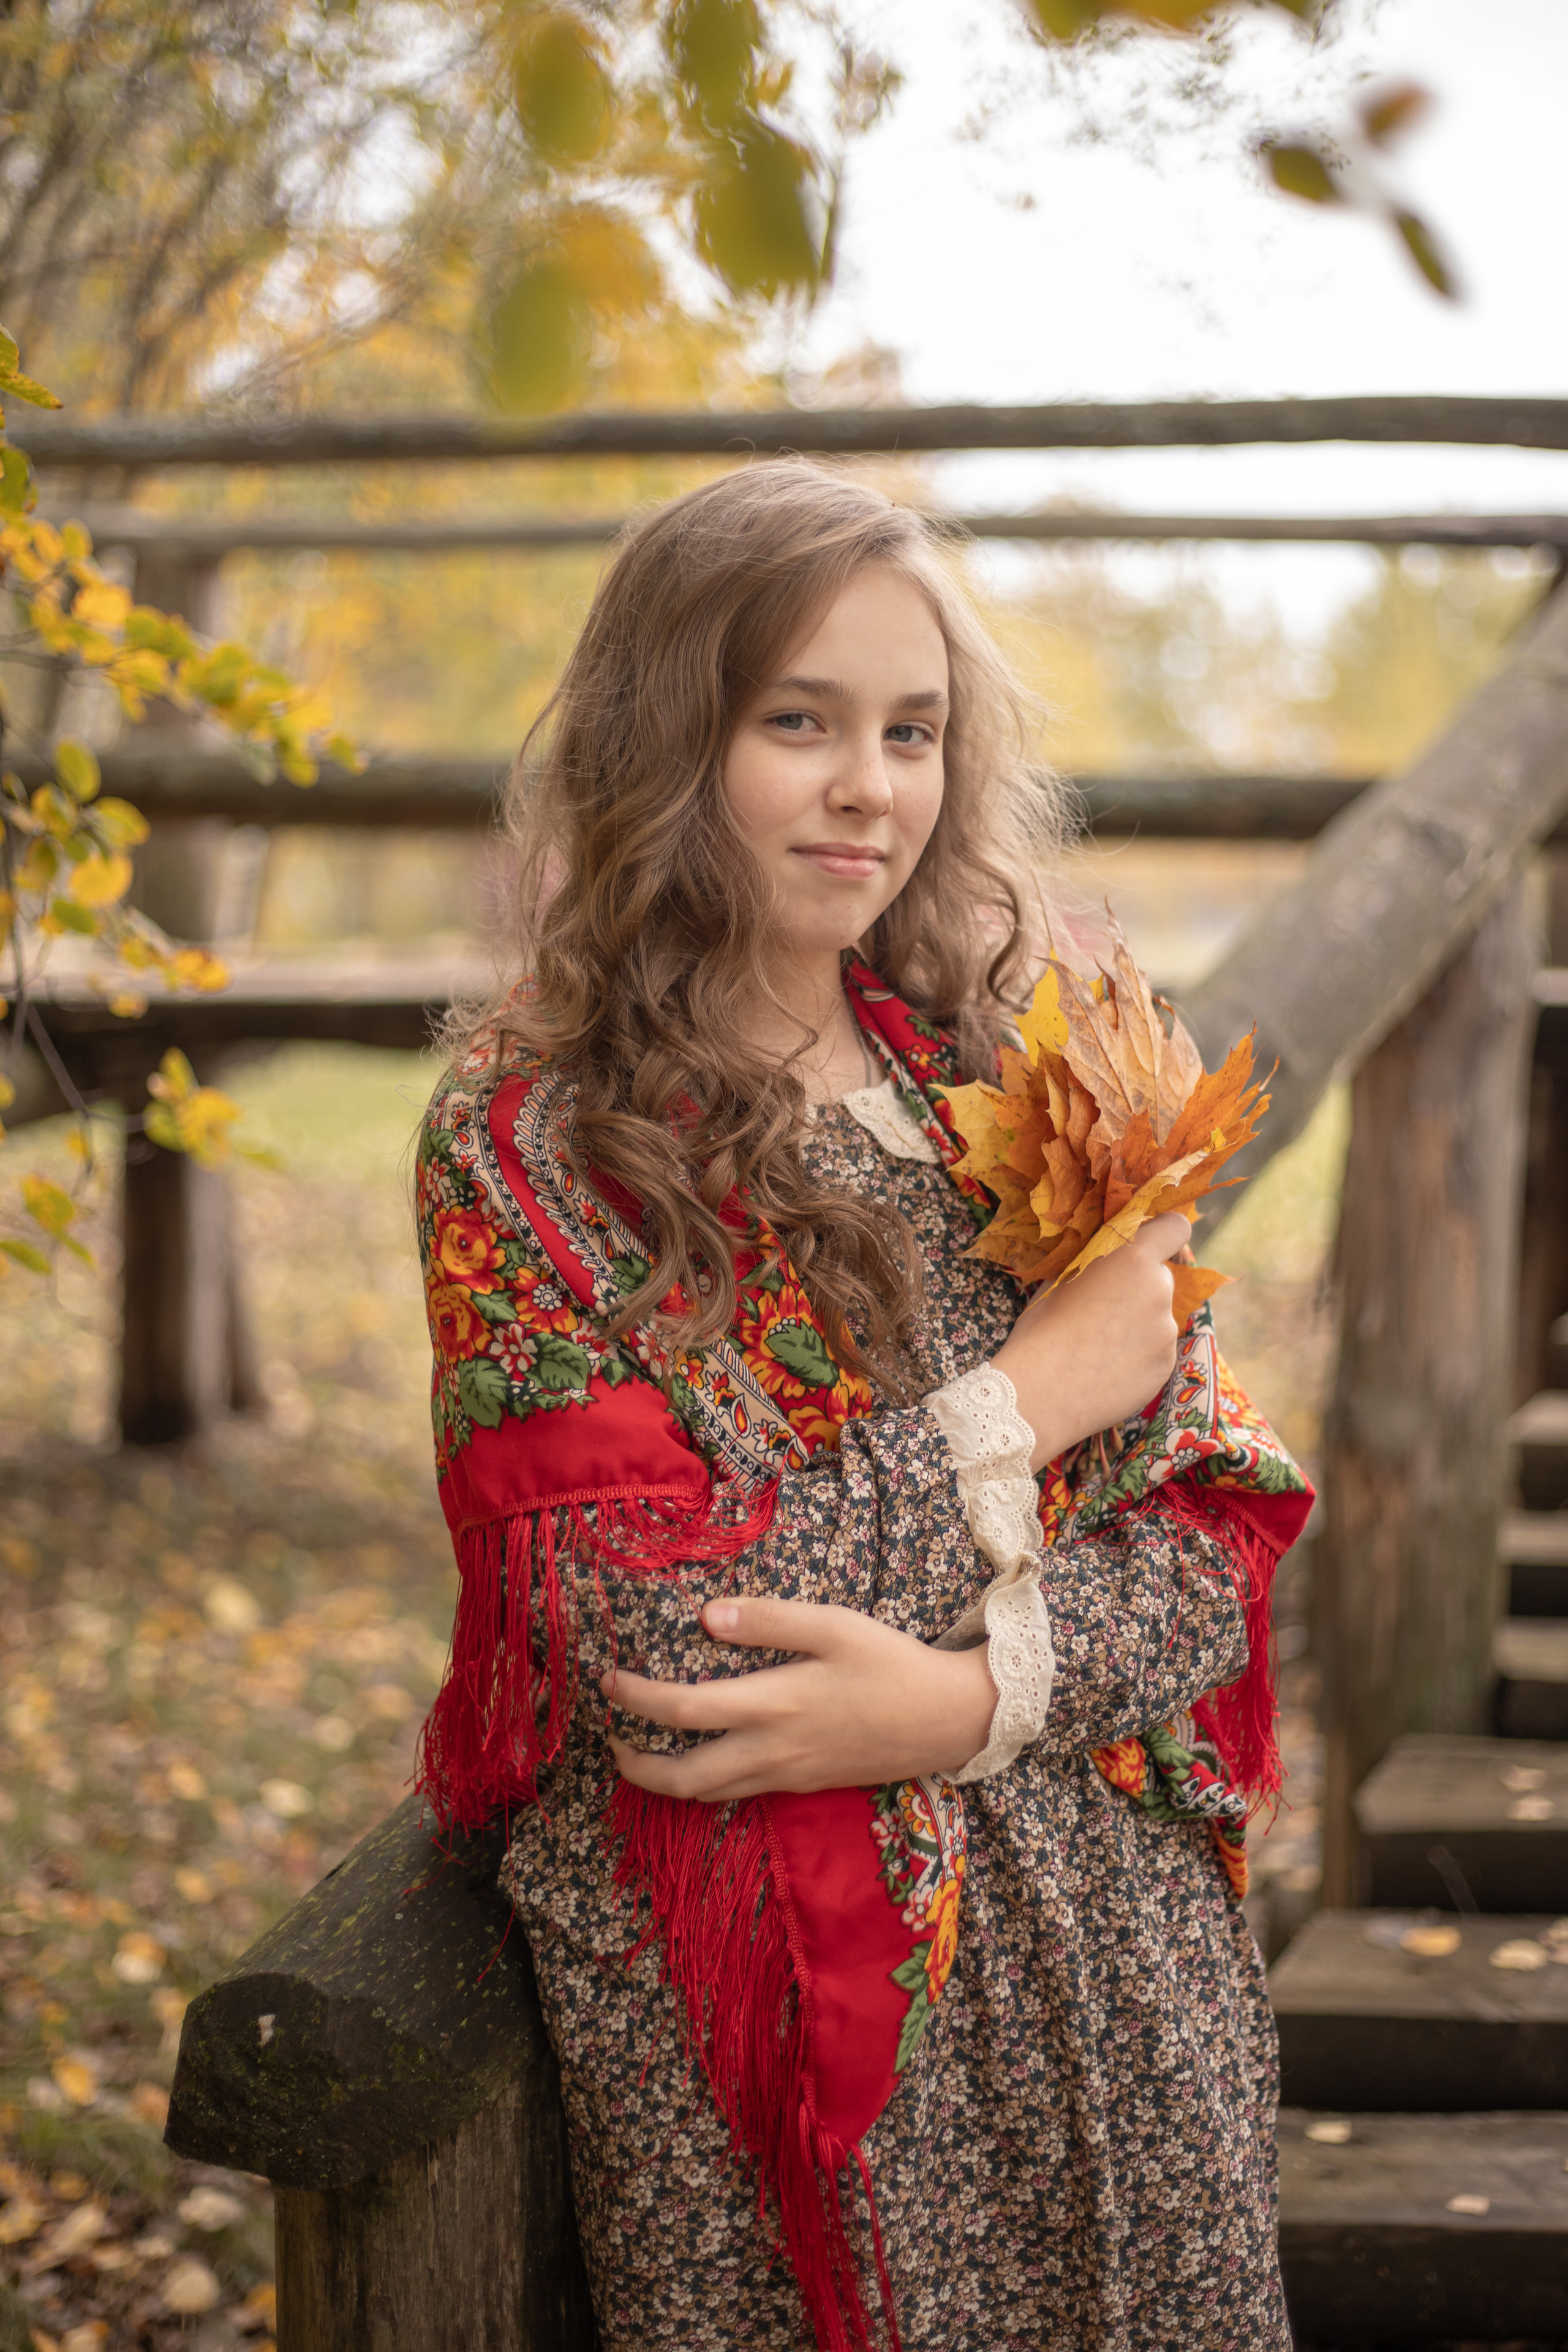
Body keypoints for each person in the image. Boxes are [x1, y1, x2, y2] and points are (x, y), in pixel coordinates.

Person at [414, 461, 1311, 2352]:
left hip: (1130, 1980)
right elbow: (652, 1627)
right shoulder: (540, 1140)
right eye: (796, 722)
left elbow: (1211, 1523)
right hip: (823, 2041)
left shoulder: (1025, 1063)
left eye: (912, 732)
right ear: (667, 736)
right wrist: (1023, 1401)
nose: (868, 789)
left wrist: (971, 1700)